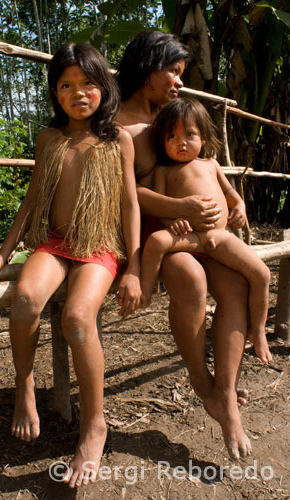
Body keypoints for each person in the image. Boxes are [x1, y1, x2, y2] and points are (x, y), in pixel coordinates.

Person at [0, 43, 141, 488]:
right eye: (66, 85)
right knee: (23, 300)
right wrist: (3, 253)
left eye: (88, 84)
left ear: (104, 87)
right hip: (55, 243)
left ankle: (94, 424)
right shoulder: (49, 139)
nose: (78, 93)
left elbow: (131, 204)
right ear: (55, 92)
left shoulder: (118, 140)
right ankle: (24, 384)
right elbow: (33, 199)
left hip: (99, 244)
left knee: (78, 319)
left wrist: (133, 266)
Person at [116, 30, 252, 460]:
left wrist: (233, 199)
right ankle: (202, 383)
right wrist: (181, 205)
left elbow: (204, 167)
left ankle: (225, 395)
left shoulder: (168, 119)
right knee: (192, 280)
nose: (179, 81)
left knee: (236, 287)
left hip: (193, 230)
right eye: (172, 72)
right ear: (147, 69)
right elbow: (126, 194)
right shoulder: (115, 124)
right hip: (150, 236)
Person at [140, 97, 272, 364]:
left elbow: (230, 192)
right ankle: (144, 292)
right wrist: (172, 222)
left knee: (262, 274)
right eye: (172, 136)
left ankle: (257, 330)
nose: (182, 142)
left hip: (220, 238)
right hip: (190, 238)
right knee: (156, 240)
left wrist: (240, 207)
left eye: (190, 134)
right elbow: (161, 207)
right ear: (162, 142)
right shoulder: (164, 172)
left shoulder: (211, 164)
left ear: (202, 136)